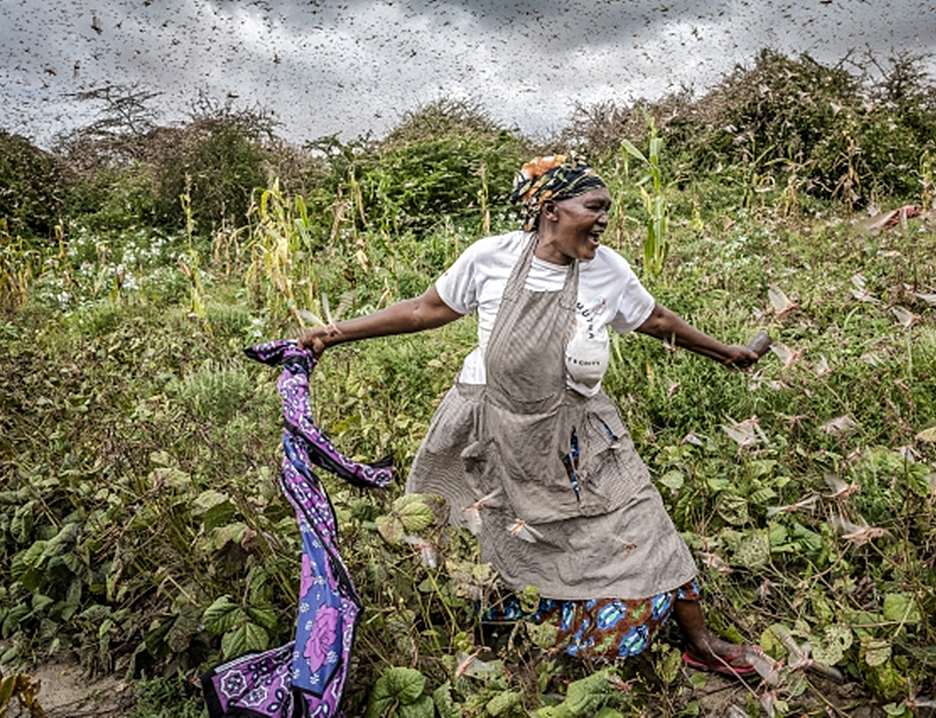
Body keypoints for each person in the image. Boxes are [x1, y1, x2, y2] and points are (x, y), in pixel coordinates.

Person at [299, 154, 761, 676]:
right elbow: (424, 310)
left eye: (607, 208)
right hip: (490, 426)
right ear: (549, 209)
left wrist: (726, 352)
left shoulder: (606, 268)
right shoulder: (489, 258)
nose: (605, 218)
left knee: (641, 517)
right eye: (594, 206)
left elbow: (654, 319)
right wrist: (332, 333)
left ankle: (700, 643)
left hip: (580, 429)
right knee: (490, 534)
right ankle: (498, 641)